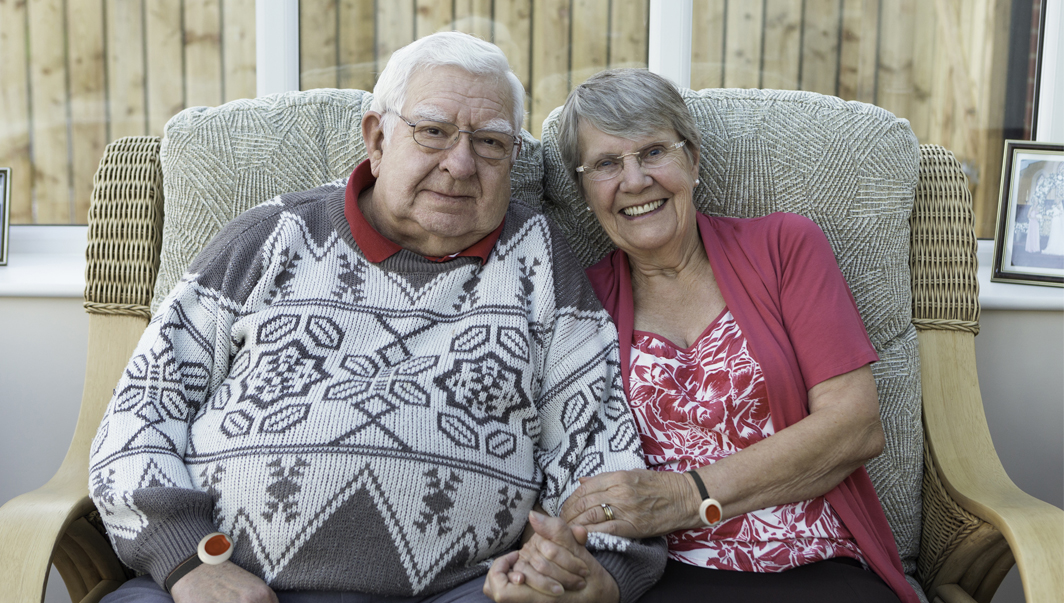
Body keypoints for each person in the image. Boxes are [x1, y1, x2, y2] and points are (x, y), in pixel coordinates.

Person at [88, 34, 664, 603]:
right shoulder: (270, 236)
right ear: (377, 139)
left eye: (490, 143)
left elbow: (598, 447)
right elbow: (139, 414)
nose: (460, 164)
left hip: (461, 591)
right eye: (433, 131)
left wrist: (599, 569)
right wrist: (188, 563)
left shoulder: (541, 260)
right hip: (215, 583)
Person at [503, 68, 919, 603]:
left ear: (692, 159)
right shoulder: (582, 303)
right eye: (606, 164)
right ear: (585, 189)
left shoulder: (784, 248)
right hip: (665, 577)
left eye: (654, 152)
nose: (634, 181)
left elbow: (854, 427)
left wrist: (687, 495)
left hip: (816, 558)